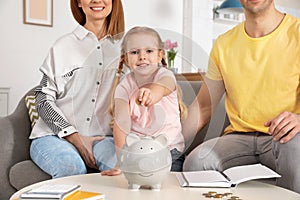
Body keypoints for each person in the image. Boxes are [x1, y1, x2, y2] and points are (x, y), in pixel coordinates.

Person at [182, 0, 300, 193]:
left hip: (285, 139)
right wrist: (168, 144)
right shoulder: (223, 43)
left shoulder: (297, 33)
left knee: (296, 150)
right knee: (195, 164)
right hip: (239, 138)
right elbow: (204, 106)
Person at [29, 0, 125, 178]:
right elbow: (43, 99)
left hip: (102, 138)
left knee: (125, 171)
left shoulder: (125, 49)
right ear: (79, 3)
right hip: (54, 136)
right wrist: (74, 136)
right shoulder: (63, 46)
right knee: (71, 168)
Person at [101, 26, 187, 176]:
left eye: (149, 51)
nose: (142, 56)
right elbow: (121, 124)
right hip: (137, 152)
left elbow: (163, 87)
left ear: (160, 55)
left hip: (169, 151)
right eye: (135, 52)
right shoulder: (124, 87)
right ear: (126, 59)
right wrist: (122, 162)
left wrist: (152, 93)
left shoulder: (165, 75)